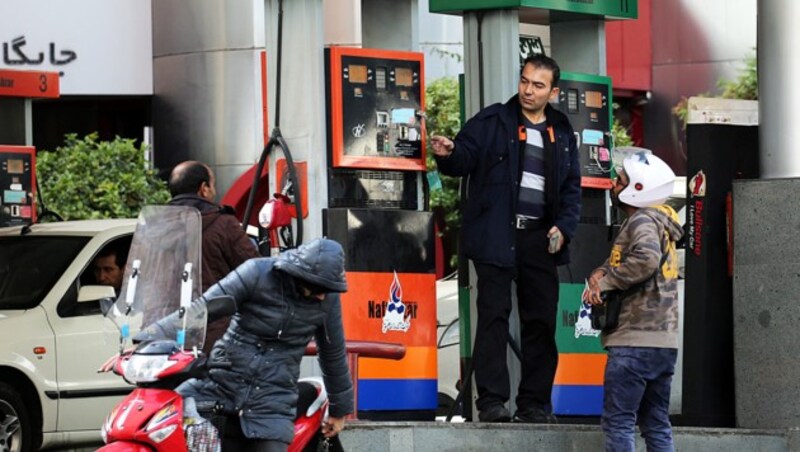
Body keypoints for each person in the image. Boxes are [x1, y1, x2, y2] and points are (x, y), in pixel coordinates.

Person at [430, 54, 581, 423]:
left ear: (554, 92)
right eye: (525, 81)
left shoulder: (561, 130)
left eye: (538, 85)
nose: (528, 90)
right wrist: (449, 154)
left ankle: (533, 404)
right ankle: (492, 402)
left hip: (540, 239)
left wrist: (563, 227)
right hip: (497, 236)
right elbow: (463, 157)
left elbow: (571, 188)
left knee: (541, 323)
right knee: (493, 318)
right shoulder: (492, 120)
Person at [139, 238, 353, 451]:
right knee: (164, 427)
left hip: (272, 398)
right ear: (300, 276)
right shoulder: (257, 272)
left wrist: (339, 410)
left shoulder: (328, 300)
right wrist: (147, 339)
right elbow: (200, 311)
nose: (324, 294)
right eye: (319, 288)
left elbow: (332, 353)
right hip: (219, 381)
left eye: (329, 288)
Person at [583, 152, 682, 451]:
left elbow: (645, 260)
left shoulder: (641, 221)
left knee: (619, 421)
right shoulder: (658, 222)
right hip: (661, 342)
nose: (614, 184)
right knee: (655, 423)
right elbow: (627, 257)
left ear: (636, 189)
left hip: (634, 341)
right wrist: (602, 270)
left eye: (621, 181)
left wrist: (608, 282)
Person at [168, 160, 260, 353]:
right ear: (203, 189)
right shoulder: (223, 224)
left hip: (165, 336)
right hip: (214, 340)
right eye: (213, 185)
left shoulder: (157, 229)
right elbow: (256, 271)